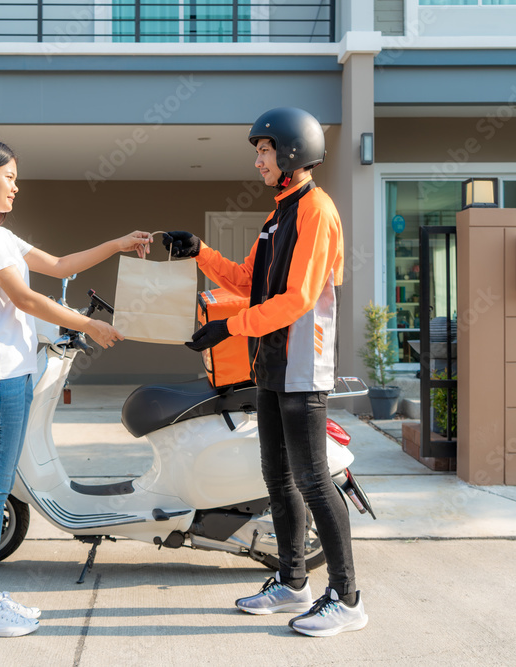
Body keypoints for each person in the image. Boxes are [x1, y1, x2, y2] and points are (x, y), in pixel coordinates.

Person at [162, 107, 366, 637]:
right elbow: (247, 280)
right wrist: (201, 252)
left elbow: (297, 300)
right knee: (278, 480)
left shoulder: (316, 212)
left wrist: (229, 329)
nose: (257, 161)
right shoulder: (280, 215)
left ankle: (347, 598)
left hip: (303, 366)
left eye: (264, 150)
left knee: (315, 482)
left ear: (292, 153)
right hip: (272, 365)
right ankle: (293, 581)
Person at [0, 137, 151, 637]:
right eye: (10, 176)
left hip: (6, 374)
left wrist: (119, 243)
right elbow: (27, 300)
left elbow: (61, 266)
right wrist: (88, 325)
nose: (17, 185)